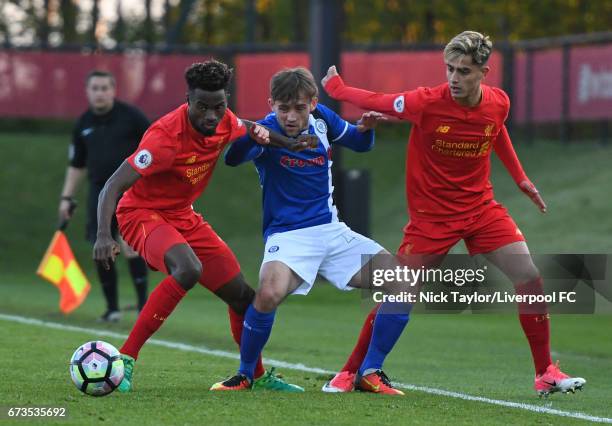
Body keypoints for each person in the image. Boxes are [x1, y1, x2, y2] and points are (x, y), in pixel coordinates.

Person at [320, 30, 586, 397]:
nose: (454, 78)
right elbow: (378, 100)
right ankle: (352, 372)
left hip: (480, 209)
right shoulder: (426, 102)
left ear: (484, 72)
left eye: (463, 71)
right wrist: (336, 89)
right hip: (432, 217)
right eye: (450, 69)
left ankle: (546, 372)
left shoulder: (499, 102)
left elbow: (496, 131)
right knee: (401, 289)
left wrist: (521, 178)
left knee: (528, 275)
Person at [93, 59, 308, 393]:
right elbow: (113, 186)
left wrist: (286, 142)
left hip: (183, 214)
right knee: (188, 269)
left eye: (218, 106)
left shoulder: (225, 121)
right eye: (202, 107)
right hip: (141, 213)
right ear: (188, 100)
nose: (211, 115)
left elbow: (247, 126)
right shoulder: (163, 138)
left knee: (243, 298)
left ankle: (254, 374)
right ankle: (126, 359)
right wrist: (104, 235)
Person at [211, 67, 412, 395]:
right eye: (283, 108)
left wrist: (367, 128)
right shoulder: (265, 130)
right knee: (268, 294)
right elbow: (232, 159)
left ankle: (370, 371)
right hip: (288, 237)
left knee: (403, 284)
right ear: (271, 104)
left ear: (313, 103)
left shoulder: (323, 120)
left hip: (331, 231)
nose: (291, 116)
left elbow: (359, 144)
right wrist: (250, 136)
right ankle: (246, 374)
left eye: (299, 108)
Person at [58, 70, 149, 322]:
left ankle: (144, 307)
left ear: (113, 90)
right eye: (95, 88)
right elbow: (76, 165)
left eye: (104, 88)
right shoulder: (83, 124)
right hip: (99, 193)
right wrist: (66, 198)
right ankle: (112, 309)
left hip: (132, 190)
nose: (100, 93)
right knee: (102, 248)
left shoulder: (132, 117)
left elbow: (155, 146)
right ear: (87, 91)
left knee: (130, 246)